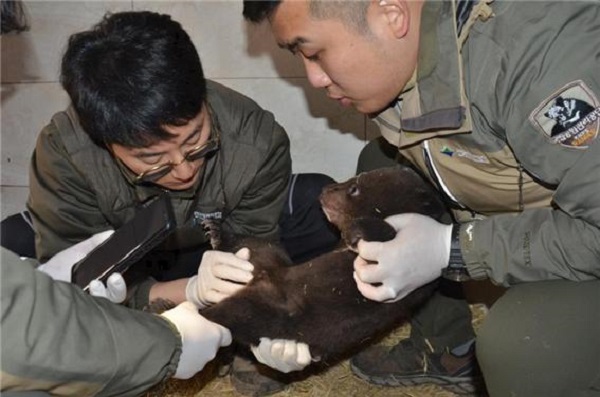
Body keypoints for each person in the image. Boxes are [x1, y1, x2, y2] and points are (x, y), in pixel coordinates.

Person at [242, 1, 600, 396]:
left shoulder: (536, 57)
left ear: (391, 14)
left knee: (525, 346)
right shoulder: (406, 56)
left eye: (313, 53)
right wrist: (297, 323)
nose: (314, 78)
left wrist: (454, 249)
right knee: (376, 177)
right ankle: (448, 347)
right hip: (548, 210)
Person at [19, 9, 335, 396]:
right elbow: (77, 288)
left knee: (316, 206)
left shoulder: (255, 136)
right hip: (130, 268)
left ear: (201, 96)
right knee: (18, 263)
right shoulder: (65, 153)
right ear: (104, 140)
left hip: (215, 250)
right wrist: (186, 293)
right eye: (152, 161)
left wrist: (262, 313)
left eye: (195, 141)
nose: (184, 171)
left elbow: (257, 243)